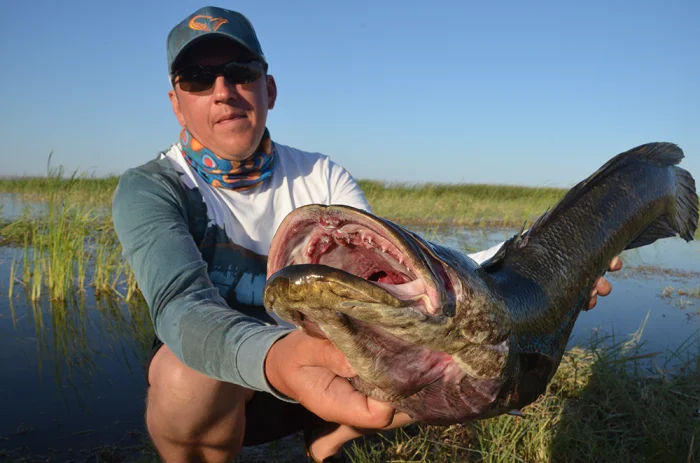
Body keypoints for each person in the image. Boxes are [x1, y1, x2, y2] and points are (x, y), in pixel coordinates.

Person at [112, 6, 622, 462]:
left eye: (240, 72)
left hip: (334, 364)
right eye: (198, 78)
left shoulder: (321, 175)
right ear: (177, 103)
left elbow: (392, 275)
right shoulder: (154, 187)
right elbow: (180, 306)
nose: (223, 91)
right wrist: (278, 359)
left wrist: (546, 277)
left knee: (473, 353)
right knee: (182, 376)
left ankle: (330, 437)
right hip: (237, 379)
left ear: (269, 89)